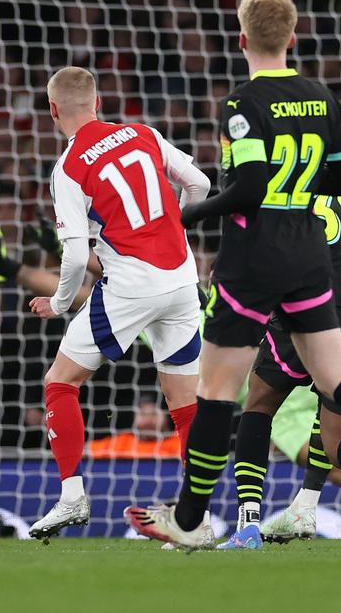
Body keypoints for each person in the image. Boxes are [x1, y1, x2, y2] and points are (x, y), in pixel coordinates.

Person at [127, 0, 341, 550]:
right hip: (311, 258)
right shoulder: (322, 98)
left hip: (254, 260)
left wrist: (190, 213)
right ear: (293, 38)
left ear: (241, 40)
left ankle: (189, 519)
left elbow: (251, 187)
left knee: (218, 390)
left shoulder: (241, 104)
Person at [21, 66, 210, 541]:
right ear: (98, 101)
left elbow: (73, 255)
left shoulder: (68, 167)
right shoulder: (141, 133)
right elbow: (202, 185)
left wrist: (61, 304)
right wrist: (171, 227)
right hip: (183, 279)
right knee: (185, 403)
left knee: (60, 382)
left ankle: (71, 497)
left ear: (53, 110)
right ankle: (198, 521)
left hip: (131, 285)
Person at [86, 393, 182, 459]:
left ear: (167, 416)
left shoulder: (180, 444)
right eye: (142, 414)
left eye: (154, 414)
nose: (148, 420)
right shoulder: (123, 442)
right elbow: (85, 450)